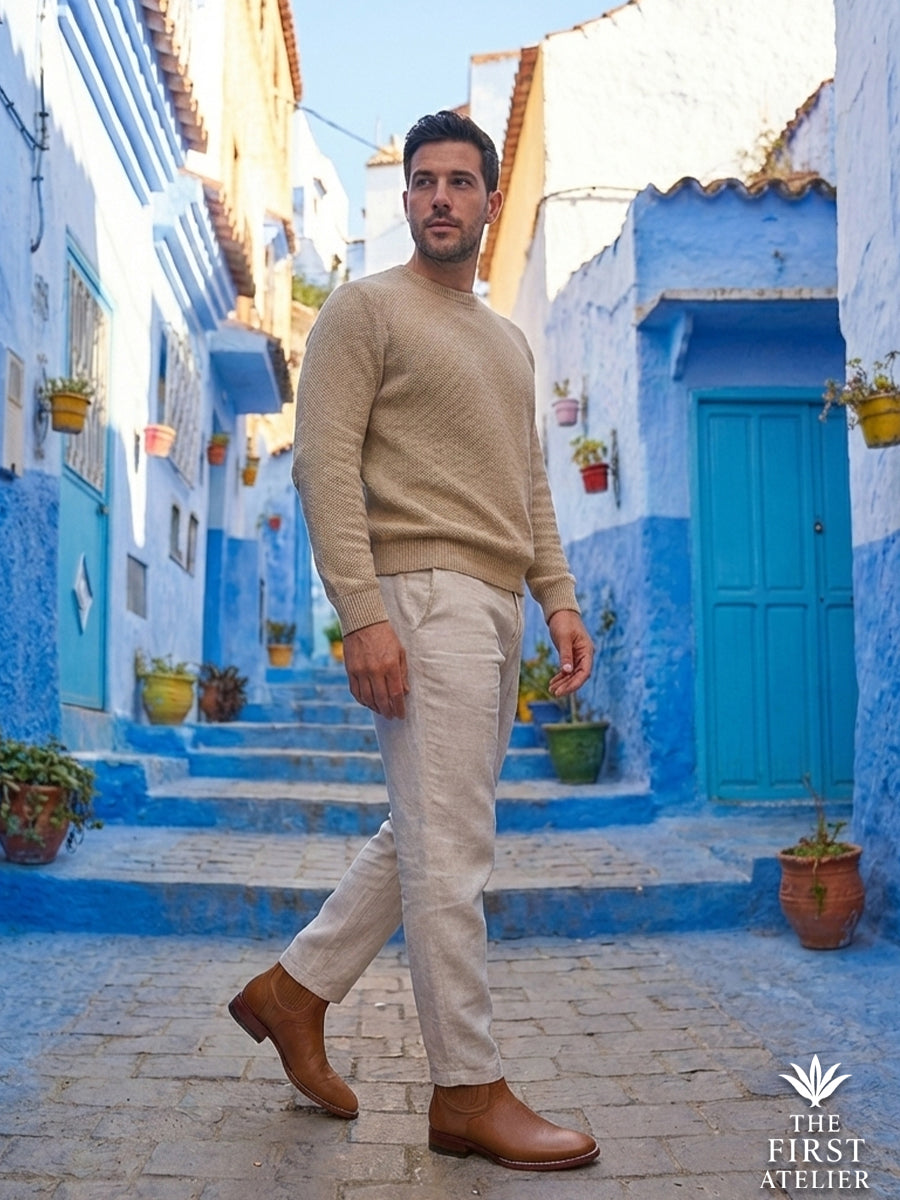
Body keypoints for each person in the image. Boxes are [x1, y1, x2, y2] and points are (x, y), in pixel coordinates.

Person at [229, 110, 599, 1172]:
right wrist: (364, 613)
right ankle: (467, 1091)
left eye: (460, 182)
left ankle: (291, 993)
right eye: (424, 181)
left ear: (487, 202)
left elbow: (527, 483)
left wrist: (558, 599)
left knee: (429, 834)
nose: (440, 196)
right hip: (421, 596)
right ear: (407, 202)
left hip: (494, 604)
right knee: (451, 857)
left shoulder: (508, 342)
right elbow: (322, 466)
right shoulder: (362, 310)